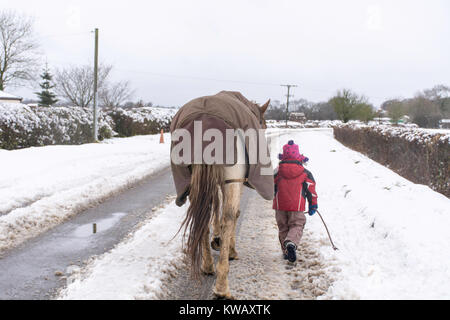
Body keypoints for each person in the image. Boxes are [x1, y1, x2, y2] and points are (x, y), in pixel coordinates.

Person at [273, 140, 318, 263]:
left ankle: (286, 252)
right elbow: (311, 190)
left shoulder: (277, 171)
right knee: (297, 225)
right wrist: (313, 204)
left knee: (283, 228)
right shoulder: (305, 173)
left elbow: (271, 186)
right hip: (297, 206)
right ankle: (291, 243)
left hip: (280, 206)